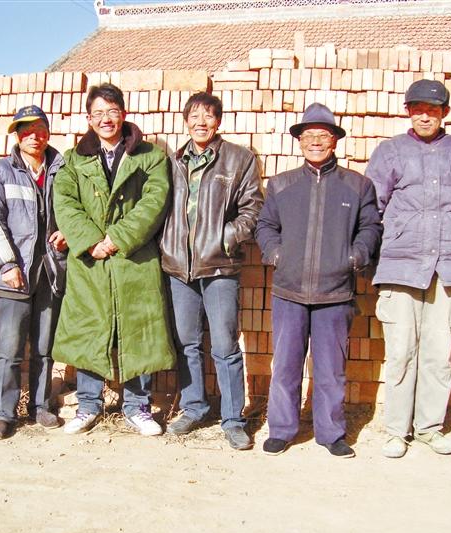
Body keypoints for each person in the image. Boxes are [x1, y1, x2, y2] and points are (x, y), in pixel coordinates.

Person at [365, 79, 451, 458]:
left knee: (438, 355)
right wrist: (370, 259)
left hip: (448, 268)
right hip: (400, 267)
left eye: (432, 110)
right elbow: (372, 210)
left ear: (444, 113)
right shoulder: (390, 152)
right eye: (418, 109)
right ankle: (396, 431)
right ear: (408, 112)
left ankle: (429, 429)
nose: (425, 116)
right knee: (401, 352)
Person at [255, 103, 382, 457]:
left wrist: (355, 256)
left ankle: (331, 433)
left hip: (335, 293)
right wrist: (276, 255)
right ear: (299, 141)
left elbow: (371, 227)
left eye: (322, 136)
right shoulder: (281, 185)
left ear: (334, 141)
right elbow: (265, 226)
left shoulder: (357, 186)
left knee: (330, 370)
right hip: (289, 291)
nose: (315, 142)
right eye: (308, 135)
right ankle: (282, 429)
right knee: (286, 366)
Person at [52, 83, 175, 436]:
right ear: (89, 119)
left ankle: (137, 407)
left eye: (112, 111)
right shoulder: (73, 160)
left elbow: (154, 201)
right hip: (90, 261)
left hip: (134, 259)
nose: (106, 119)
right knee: (90, 328)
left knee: (139, 329)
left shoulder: (150, 156)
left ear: (123, 114)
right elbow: (65, 203)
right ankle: (89, 405)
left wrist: (118, 238)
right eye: (98, 113)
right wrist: (91, 241)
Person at [160, 91, 263, 450]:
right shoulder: (173, 161)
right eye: (194, 116)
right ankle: (194, 407)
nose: (201, 122)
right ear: (185, 121)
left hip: (219, 266)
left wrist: (225, 238)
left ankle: (233, 420)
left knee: (224, 345)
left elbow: (253, 208)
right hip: (179, 268)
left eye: (208, 116)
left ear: (218, 121)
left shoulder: (238, 158)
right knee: (187, 342)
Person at [0, 105, 67, 440]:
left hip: (50, 271)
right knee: (10, 349)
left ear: (48, 133)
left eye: (40, 130)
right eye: (26, 131)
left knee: (44, 346)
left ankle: (41, 406)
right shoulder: (1, 172)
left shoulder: (61, 169)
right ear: (17, 135)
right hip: (15, 272)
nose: (34, 137)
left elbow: (76, 208)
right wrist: (7, 264)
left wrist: (69, 231)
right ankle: (4, 413)